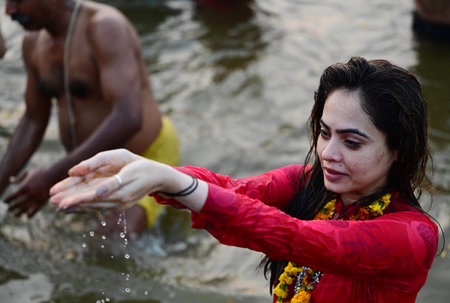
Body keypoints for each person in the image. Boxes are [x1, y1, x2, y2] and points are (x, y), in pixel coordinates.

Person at [49, 57, 439, 302]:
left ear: (398, 151)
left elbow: (300, 239)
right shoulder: (311, 184)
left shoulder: (413, 236)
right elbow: (234, 192)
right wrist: (155, 175)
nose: (328, 153)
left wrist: (173, 183)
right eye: (324, 133)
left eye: (351, 142)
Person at [0, 0, 179, 236]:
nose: (9, 11)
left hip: (144, 156)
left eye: (17, 1)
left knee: (109, 243)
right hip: (88, 165)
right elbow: (33, 120)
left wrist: (49, 177)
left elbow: (129, 117)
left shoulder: (105, 27)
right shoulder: (32, 43)